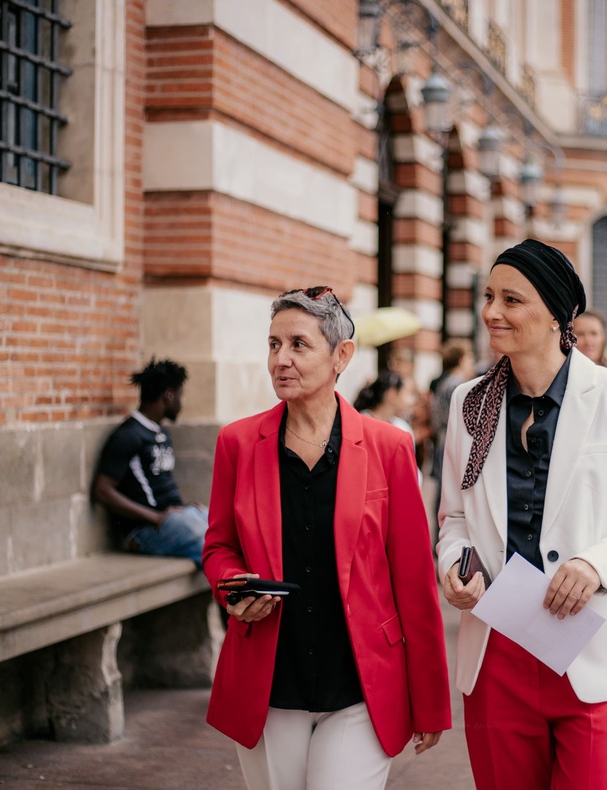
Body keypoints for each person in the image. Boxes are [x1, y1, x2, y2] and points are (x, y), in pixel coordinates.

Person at [436, 239, 607, 790]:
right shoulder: (467, 402)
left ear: (555, 314)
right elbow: (454, 519)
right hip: (497, 651)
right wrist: (455, 567)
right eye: (489, 296)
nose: (492, 312)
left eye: (512, 300)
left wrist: (595, 564)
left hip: (593, 654)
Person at [202, 287, 451, 790]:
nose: (281, 359)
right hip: (270, 679)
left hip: (361, 683)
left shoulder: (389, 447)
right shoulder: (237, 443)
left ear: (342, 356)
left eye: (298, 344)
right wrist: (232, 585)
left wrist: (429, 699)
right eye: (273, 345)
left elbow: (414, 580)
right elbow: (218, 547)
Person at [92, 358, 207, 566]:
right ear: (169, 396)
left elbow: (159, 484)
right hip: (144, 531)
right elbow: (102, 490)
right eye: (181, 395)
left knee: (226, 529)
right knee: (211, 546)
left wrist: (184, 507)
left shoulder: (161, 432)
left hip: (174, 518)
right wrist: (156, 517)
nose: (182, 403)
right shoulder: (128, 435)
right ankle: (234, 597)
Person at [430, 339, 476, 524]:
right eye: (469, 357)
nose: (472, 362)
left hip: (441, 439)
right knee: (450, 491)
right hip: (451, 441)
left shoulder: (443, 382)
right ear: (461, 360)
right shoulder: (457, 386)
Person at [354, 370, 416, 436]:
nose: (413, 400)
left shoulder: (403, 428)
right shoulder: (360, 423)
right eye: (410, 394)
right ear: (392, 394)